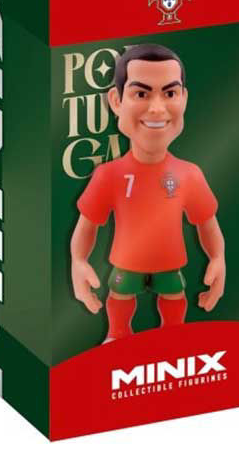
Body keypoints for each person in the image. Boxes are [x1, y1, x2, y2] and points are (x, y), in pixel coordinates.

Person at [70, 43, 225, 342]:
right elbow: (87, 224)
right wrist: (78, 261)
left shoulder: (189, 175)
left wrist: (218, 258)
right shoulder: (108, 175)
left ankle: (172, 338)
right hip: (127, 261)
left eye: (170, 93)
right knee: (120, 295)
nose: (156, 108)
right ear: (116, 101)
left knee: (174, 296)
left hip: (169, 261)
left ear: (184, 98)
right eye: (141, 94)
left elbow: (207, 223)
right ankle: (117, 335)